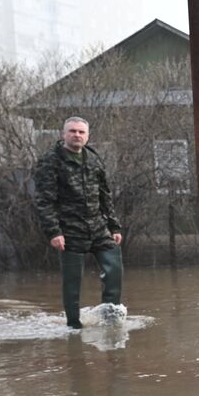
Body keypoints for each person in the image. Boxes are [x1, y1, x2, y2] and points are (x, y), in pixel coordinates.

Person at [32, 117, 123, 329]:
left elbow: (104, 195)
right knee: (72, 282)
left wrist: (114, 226)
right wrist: (54, 232)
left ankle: (112, 320)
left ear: (87, 136)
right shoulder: (50, 161)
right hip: (69, 229)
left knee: (114, 272)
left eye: (81, 132)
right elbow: (44, 201)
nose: (77, 135)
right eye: (72, 131)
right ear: (64, 134)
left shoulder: (93, 158)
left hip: (98, 226)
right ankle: (73, 326)